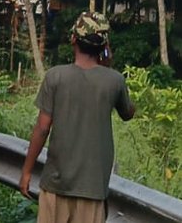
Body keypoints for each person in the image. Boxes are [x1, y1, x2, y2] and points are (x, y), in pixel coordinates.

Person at [19, 11, 136, 223]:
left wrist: (26, 171)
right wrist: (108, 67)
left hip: (56, 184)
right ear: (104, 46)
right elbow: (128, 113)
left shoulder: (55, 76)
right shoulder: (115, 81)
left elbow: (43, 128)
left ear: (73, 39)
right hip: (93, 188)